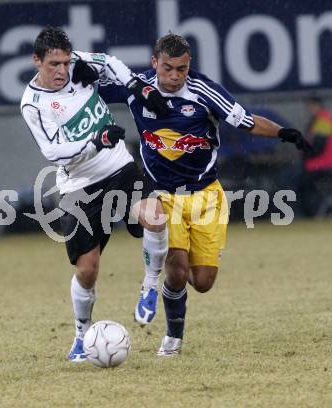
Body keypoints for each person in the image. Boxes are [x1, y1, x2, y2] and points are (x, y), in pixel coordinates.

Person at [76, 33, 309, 356]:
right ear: (154, 62)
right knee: (177, 268)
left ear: (190, 67)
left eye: (182, 69)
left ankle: (172, 283)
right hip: (164, 195)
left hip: (206, 196)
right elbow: (88, 87)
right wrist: (69, 73)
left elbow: (246, 121)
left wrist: (284, 132)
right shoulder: (137, 88)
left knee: (202, 281)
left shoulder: (204, 91)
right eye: (168, 68)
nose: (174, 76)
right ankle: (171, 335)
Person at [20, 26, 170, 362]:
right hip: (78, 186)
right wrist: (94, 142)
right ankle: (80, 334)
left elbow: (109, 62)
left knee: (155, 217)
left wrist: (134, 85)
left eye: (65, 63)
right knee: (87, 270)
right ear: (36, 61)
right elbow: (53, 152)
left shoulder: (76, 65)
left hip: (118, 167)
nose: (62, 71)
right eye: (53, 64)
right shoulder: (33, 104)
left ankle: (149, 285)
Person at [299, 96, 332, 216]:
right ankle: (318, 210)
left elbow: (318, 146)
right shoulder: (323, 119)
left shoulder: (323, 120)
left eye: (311, 106)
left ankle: (310, 212)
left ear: (318, 106)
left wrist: (304, 156)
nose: (309, 109)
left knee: (298, 179)